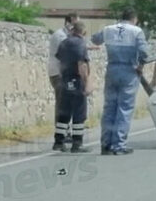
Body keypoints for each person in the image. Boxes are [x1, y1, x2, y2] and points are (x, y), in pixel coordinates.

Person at [92, 9, 149, 155]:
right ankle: (118, 145)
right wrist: (140, 66)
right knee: (124, 108)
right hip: (129, 70)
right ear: (134, 18)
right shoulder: (136, 31)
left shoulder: (108, 29)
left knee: (109, 107)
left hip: (112, 69)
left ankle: (105, 144)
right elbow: (144, 53)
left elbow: (95, 39)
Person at [53, 21, 92, 153]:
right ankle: (77, 143)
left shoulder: (64, 43)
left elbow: (59, 62)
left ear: (72, 30)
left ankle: (58, 141)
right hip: (76, 81)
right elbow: (82, 65)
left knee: (64, 112)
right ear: (84, 33)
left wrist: (62, 78)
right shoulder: (81, 44)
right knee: (79, 113)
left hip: (64, 80)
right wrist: (87, 84)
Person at [48, 12, 78, 143]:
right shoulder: (60, 35)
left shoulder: (67, 35)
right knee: (62, 104)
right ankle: (61, 134)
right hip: (59, 74)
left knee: (67, 104)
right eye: (76, 23)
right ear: (69, 22)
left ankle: (66, 131)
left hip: (64, 73)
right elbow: (68, 51)